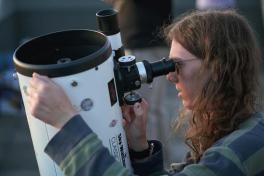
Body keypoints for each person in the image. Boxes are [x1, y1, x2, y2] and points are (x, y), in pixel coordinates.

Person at [27, 10, 264, 175]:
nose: (170, 76)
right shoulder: (239, 131)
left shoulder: (243, 151)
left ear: (217, 67)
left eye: (177, 65)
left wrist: (67, 124)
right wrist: (140, 148)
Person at [103, 0, 184, 166]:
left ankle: (154, 164)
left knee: (143, 111)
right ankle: (160, 163)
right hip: (144, 38)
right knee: (153, 110)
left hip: (143, 38)